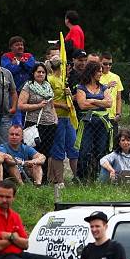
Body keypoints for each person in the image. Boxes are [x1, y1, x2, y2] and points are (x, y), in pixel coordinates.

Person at [18, 63, 57, 182]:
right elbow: (21, 105)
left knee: (47, 152)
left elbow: (51, 105)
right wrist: (38, 105)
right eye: (38, 72)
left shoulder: (48, 86)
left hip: (49, 125)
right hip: (34, 124)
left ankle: (43, 179)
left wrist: (55, 118)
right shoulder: (28, 86)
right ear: (33, 73)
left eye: (43, 72)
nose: (40, 74)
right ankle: (31, 178)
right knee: (34, 152)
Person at [74, 60, 113, 181]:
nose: (101, 74)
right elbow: (82, 105)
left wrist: (92, 100)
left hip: (102, 123)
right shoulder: (81, 87)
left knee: (101, 150)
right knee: (84, 150)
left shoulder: (103, 87)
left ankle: (98, 177)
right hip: (87, 122)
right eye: (99, 71)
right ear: (92, 72)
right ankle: (82, 177)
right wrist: (101, 103)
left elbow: (109, 103)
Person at [47, 53, 79, 184]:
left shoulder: (64, 79)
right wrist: (62, 105)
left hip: (68, 118)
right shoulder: (50, 79)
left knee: (74, 148)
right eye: (65, 65)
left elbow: (69, 99)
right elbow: (47, 101)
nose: (68, 67)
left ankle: (78, 178)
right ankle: (59, 181)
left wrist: (70, 94)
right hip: (57, 118)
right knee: (58, 149)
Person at [1, 36, 36, 125]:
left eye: (21, 44)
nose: (20, 47)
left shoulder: (29, 56)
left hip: (28, 92)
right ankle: (17, 136)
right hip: (13, 92)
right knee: (16, 117)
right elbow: (9, 70)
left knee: (28, 117)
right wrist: (23, 65)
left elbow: (32, 68)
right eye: (17, 45)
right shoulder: (6, 56)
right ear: (11, 47)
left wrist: (18, 64)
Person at [99, 52, 123, 131]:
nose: (108, 66)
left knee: (114, 141)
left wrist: (118, 113)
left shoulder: (116, 77)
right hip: (100, 115)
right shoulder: (96, 76)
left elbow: (118, 98)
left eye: (110, 64)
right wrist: (106, 86)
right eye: (105, 64)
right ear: (100, 62)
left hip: (113, 117)